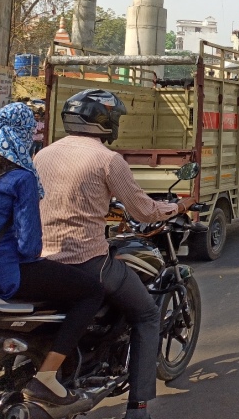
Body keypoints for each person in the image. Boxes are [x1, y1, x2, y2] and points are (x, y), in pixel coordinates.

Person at [35, 89, 197, 419]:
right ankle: (138, 409)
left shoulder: (43, 155)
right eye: (116, 118)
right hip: (86, 260)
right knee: (148, 316)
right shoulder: (108, 160)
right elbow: (145, 210)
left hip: (40, 259)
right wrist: (178, 205)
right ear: (104, 121)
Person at [0, 103, 105, 407]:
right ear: (23, 134)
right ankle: (47, 377)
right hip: (4, 277)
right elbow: (30, 247)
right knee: (91, 291)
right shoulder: (20, 178)